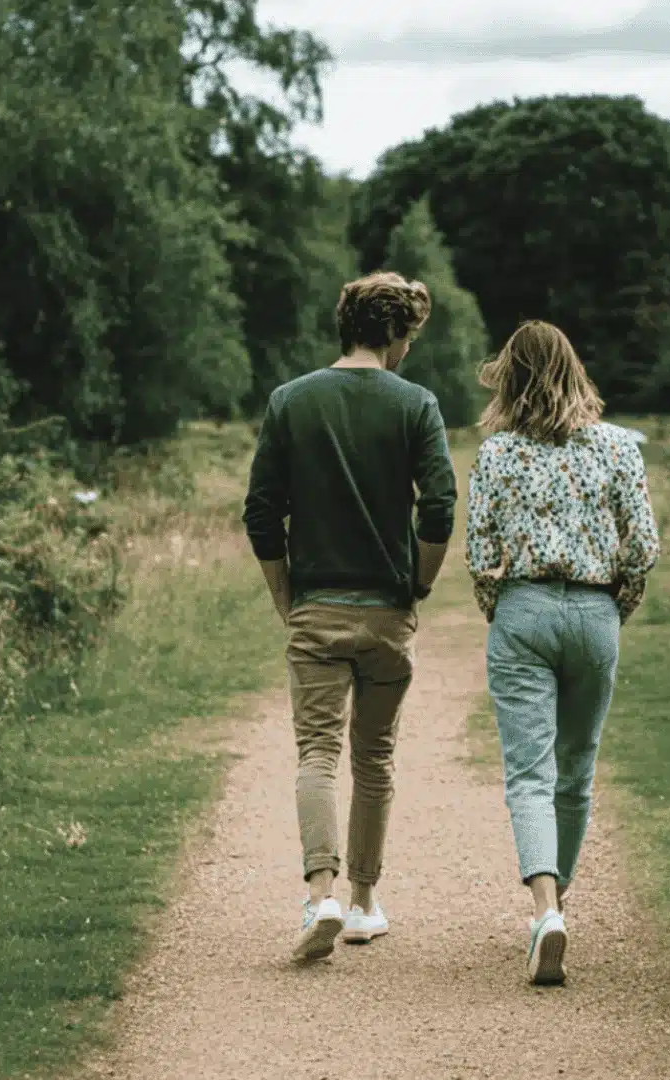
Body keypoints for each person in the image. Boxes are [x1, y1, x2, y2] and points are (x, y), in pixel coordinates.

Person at [242, 271, 458, 963]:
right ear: (394, 332)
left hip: (316, 607)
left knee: (316, 753)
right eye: (409, 339)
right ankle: (365, 903)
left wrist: (284, 597)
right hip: (387, 613)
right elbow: (440, 506)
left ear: (346, 324)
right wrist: (417, 584)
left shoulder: (289, 402)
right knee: (375, 756)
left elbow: (260, 512)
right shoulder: (416, 404)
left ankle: (320, 894)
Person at [465, 320, 660, 985]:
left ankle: (546, 910)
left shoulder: (497, 454)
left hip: (524, 607)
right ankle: (559, 906)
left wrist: (505, 608)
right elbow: (643, 548)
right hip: (596, 610)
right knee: (577, 769)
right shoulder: (618, 447)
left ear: (512, 380)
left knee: (529, 773)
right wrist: (616, 606)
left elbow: (482, 554)